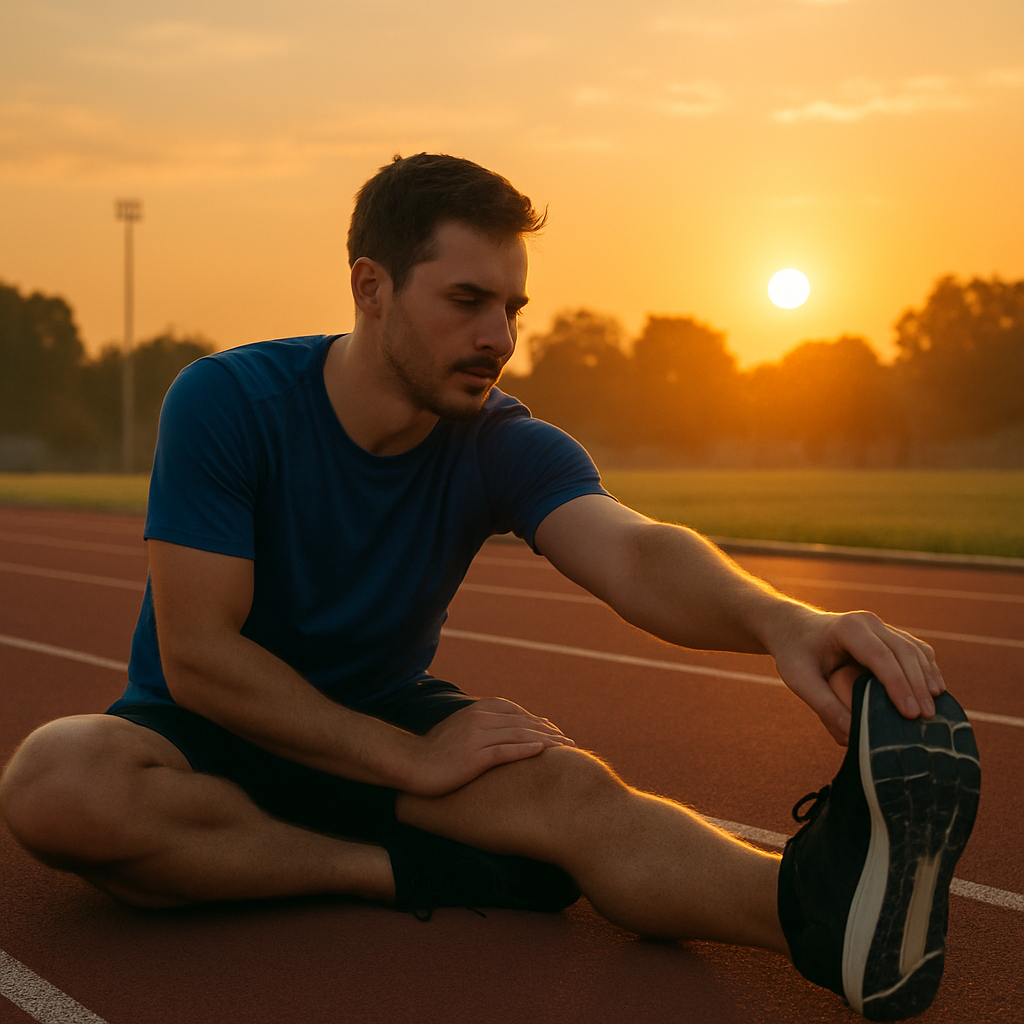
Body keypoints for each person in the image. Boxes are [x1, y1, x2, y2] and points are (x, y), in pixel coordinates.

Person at [0, 154, 979, 1022]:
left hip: (385, 723)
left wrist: (782, 621)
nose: (497, 336)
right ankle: (395, 870)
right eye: (466, 300)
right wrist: (407, 767)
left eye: (512, 308)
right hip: (197, 732)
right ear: (369, 286)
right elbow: (202, 657)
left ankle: (814, 914)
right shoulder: (227, 401)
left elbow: (633, 551)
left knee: (579, 796)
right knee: (56, 785)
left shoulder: (500, 439)